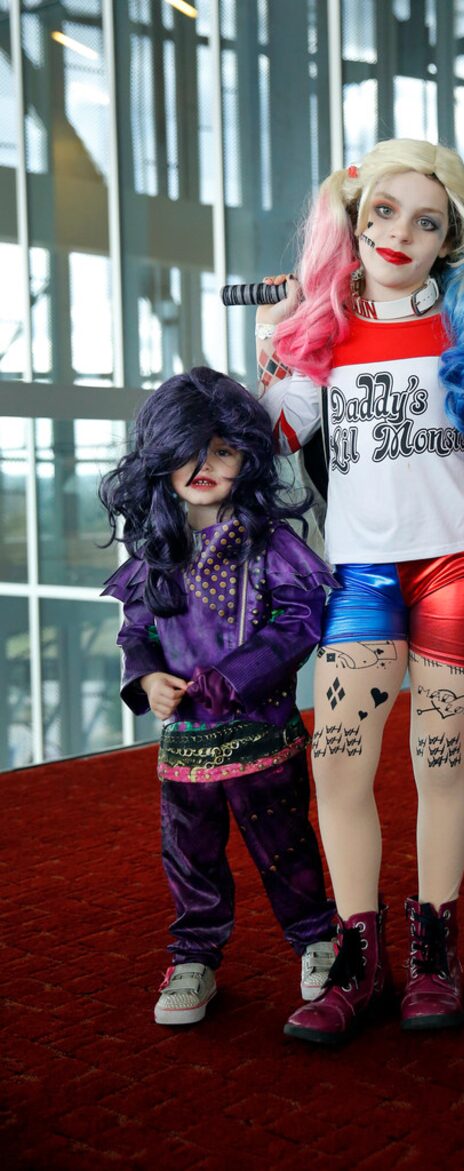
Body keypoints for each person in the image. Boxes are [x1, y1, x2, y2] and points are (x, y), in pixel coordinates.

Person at [251, 138, 464, 1044]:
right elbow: (270, 438)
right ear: (352, 218)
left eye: (428, 222)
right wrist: (266, 350)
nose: (400, 234)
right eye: (384, 212)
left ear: (449, 241)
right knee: (338, 761)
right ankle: (359, 956)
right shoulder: (321, 332)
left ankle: (435, 951)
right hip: (361, 571)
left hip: (459, 563)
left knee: (439, 760)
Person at [99, 367, 338, 1026]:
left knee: (286, 845)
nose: (204, 465)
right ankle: (194, 954)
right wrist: (148, 679)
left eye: (222, 451)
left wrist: (238, 673)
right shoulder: (155, 550)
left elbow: (299, 621)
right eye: (189, 450)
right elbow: (136, 629)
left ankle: (318, 938)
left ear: (249, 457)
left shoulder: (271, 543)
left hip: (263, 734)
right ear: (160, 458)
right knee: (189, 854)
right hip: (184, 749)